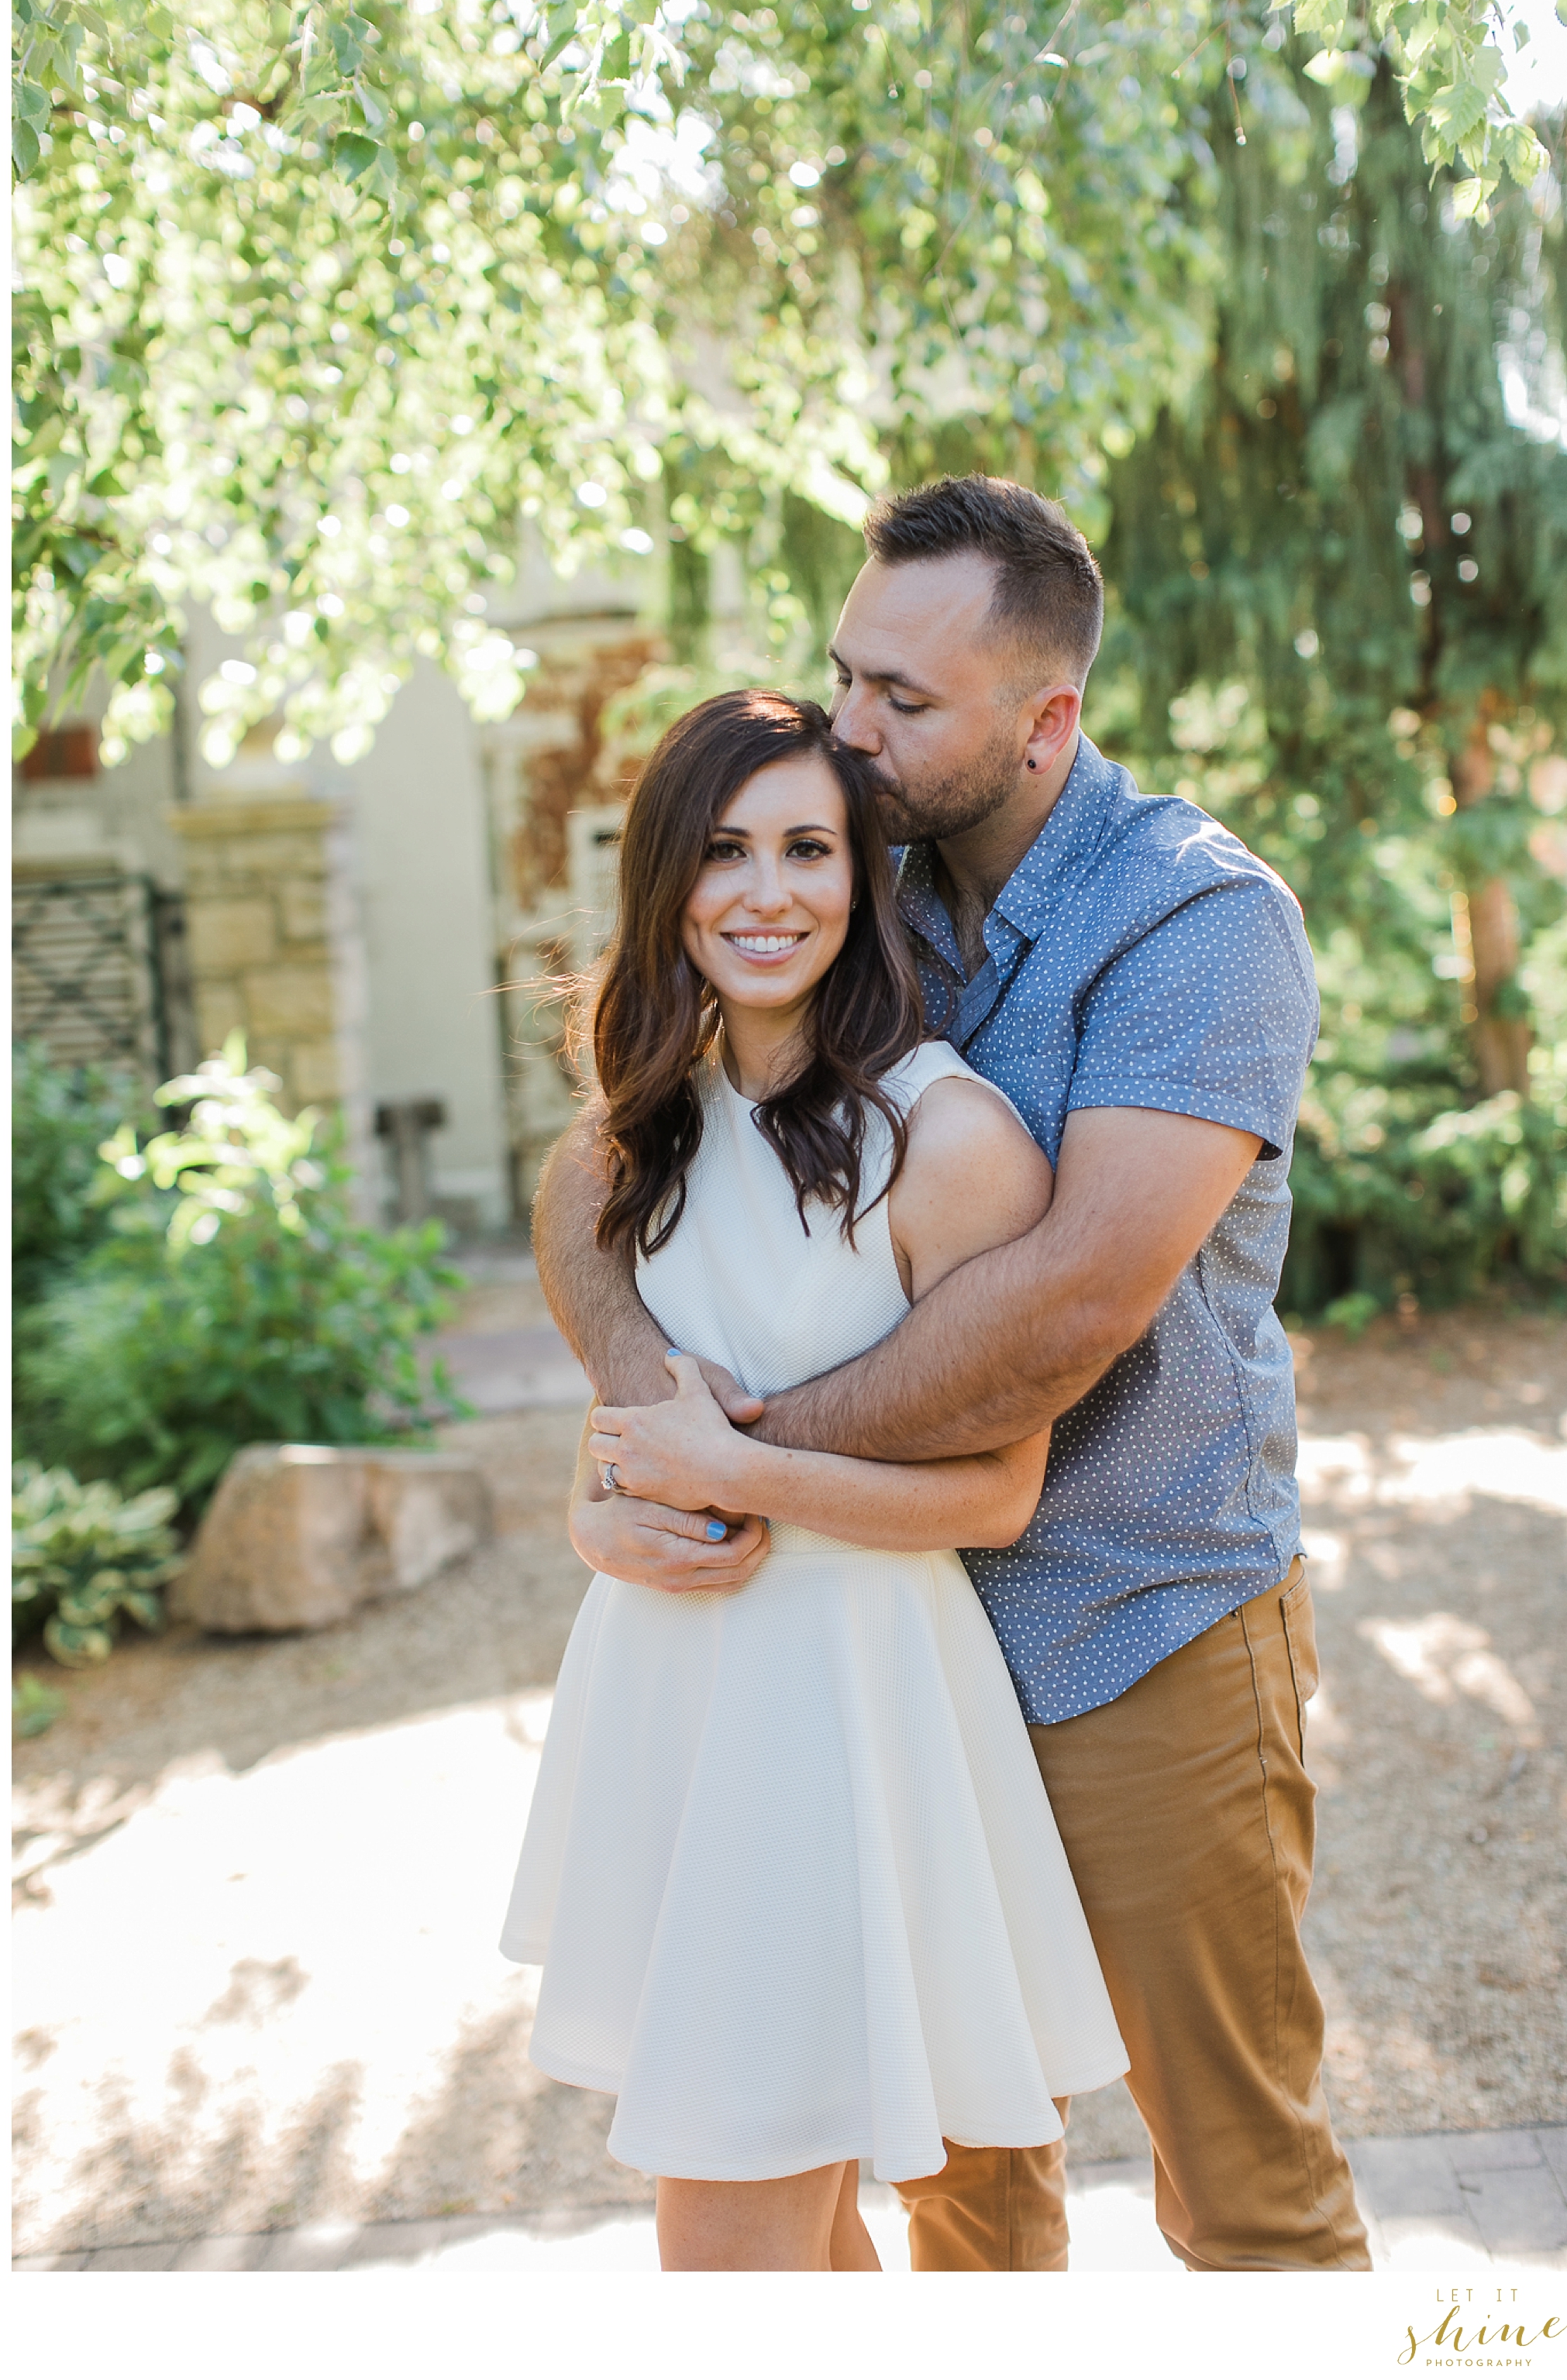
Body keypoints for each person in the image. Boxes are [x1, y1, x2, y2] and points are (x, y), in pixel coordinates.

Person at [533, 475, 1372, 2274]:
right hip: (882, 1651)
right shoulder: (841, 870)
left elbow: (1066, 1306)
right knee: (963, 2192)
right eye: (848, 677)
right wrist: (635, 1428)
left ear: (1041, 718)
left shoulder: (1195, 926)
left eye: (901, 702)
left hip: (1129, 1612)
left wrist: (734, 1456)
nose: (851, 729)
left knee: (1239, 2186)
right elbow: (614, 1166)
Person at [500, 688, 1128, 2273]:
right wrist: (604, 1509)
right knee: (783, 2227)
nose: (763, 892)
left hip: (841, 1711)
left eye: (805, 848)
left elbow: (995, 1494)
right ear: (664, 882)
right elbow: (636, 1439)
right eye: (720, 852)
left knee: (724, 2236)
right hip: (670, 1700)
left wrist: (747, 1471)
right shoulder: (625, 1146)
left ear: (864, 879)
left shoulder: (950, 1141)